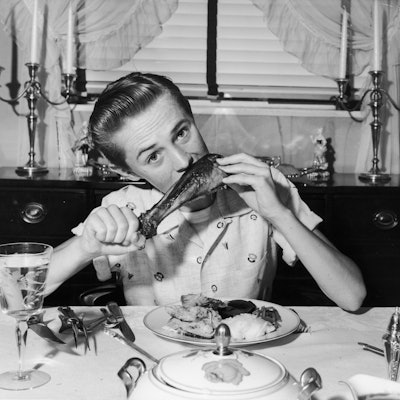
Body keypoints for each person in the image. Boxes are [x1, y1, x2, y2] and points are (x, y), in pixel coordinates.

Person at [46, 72, 366, 311]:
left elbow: (352, 296)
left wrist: (279, 215)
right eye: (153, 156)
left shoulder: (264, 186)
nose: (183, 159)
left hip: (242, 354)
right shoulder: (123, 207)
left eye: (182, 132)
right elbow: (14, 295)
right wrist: (85, 247)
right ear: (128, 171)